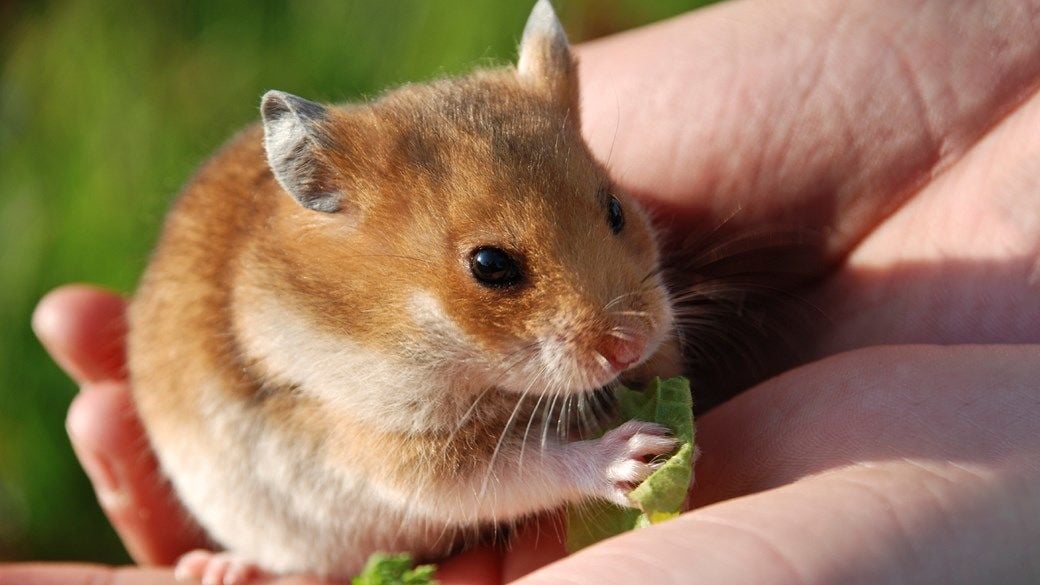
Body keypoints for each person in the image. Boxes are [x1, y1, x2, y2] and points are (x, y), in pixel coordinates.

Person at [7, 0, 1040, 582]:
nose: (622, 329)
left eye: (609, 219)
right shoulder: (349, 314)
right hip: (267, 464)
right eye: (497, 273)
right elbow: (412, 469)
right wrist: (581, 463)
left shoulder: (546, 157)